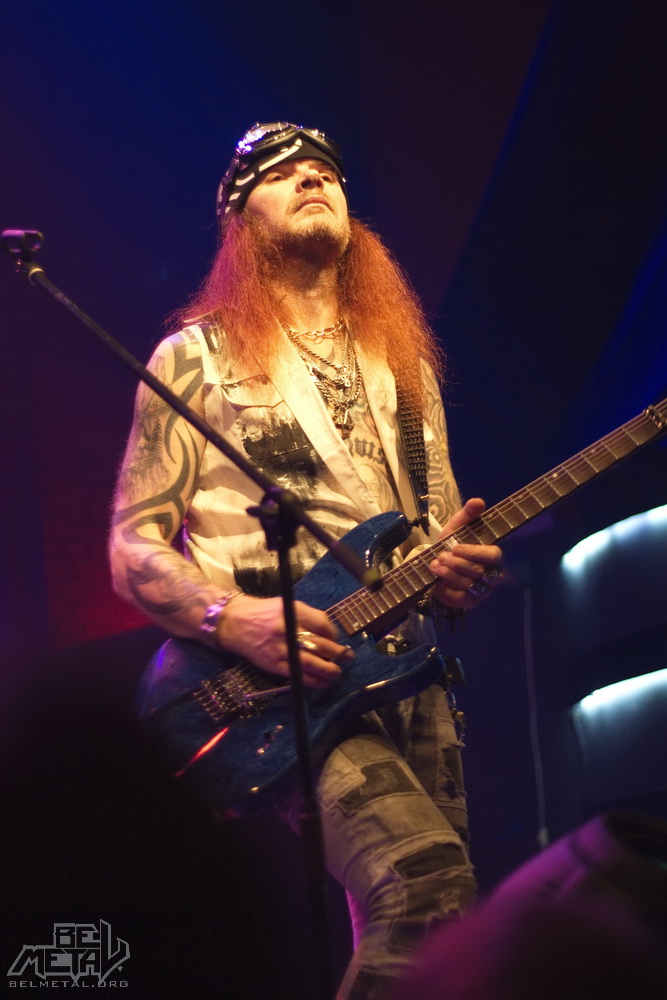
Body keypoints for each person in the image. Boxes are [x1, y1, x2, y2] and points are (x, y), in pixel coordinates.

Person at [109, 122, 503, 1000]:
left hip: (411, 670)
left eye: (325, 170)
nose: (312, 178)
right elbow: (131, 547)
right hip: (279, 680)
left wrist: (457, 572)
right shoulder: (194, 358)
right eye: (283, 173)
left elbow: (441, 537)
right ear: (238, 217)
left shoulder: (404, 365)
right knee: (425, 884)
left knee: (450, 939)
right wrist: (233, 619)